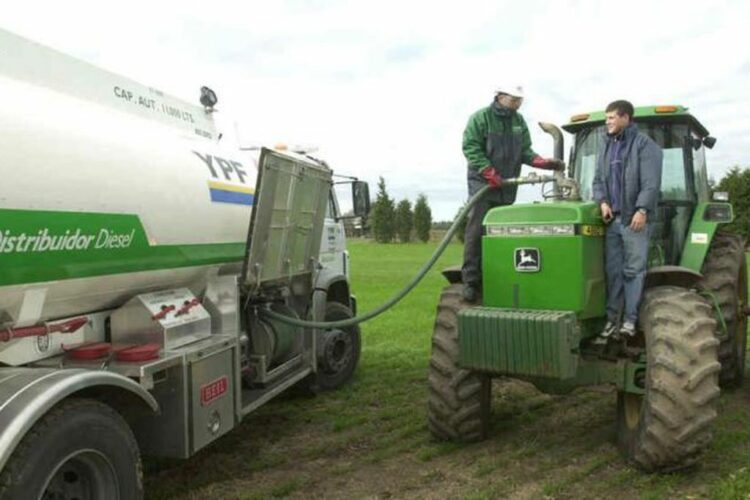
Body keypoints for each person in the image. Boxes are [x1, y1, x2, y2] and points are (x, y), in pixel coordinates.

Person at [461, 84, 564, 303]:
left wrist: (541, 162)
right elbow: (470, 147)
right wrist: (487, 171)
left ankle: (501, 278)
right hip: (483, 185)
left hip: (507, 185)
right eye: (514, 99)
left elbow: (525, 151)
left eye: (520, 100)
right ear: (500, 96)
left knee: (504, 232)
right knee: (477, 230)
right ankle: (471, 281)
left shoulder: (518, 122)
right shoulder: (481, 119)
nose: (518, 103)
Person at [592, 100, 662, 341]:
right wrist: (602, 202)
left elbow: (651, 182)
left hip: (634, 220)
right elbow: (598, 181)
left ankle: (630, 320)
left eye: (611, 117)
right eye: (607, 118)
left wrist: (642, 209)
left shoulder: (644, 145)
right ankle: (612, 320)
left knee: (633, 270)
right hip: (613, 221)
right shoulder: (605, 147)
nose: (608, 122)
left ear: (625, 118)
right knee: (613, 272)